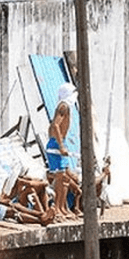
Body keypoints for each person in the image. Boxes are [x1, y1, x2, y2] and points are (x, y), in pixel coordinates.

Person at [47, 83, 82, 218]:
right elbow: (55, 124)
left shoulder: (66, 106)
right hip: (57, 144)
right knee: (60, 178)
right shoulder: (63, 106)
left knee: (65, 178)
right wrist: (61, 145)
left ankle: (62, 207)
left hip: (61, 141)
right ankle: (57, 208)